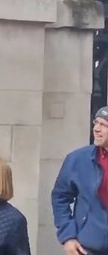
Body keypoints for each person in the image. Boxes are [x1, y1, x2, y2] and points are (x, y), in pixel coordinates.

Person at [51, 106, 108, 255]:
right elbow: (60, 197)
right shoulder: (78, 159)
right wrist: (68, 237)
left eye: (104, 125)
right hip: (88, 247)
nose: (96, 129)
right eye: (96, 123)